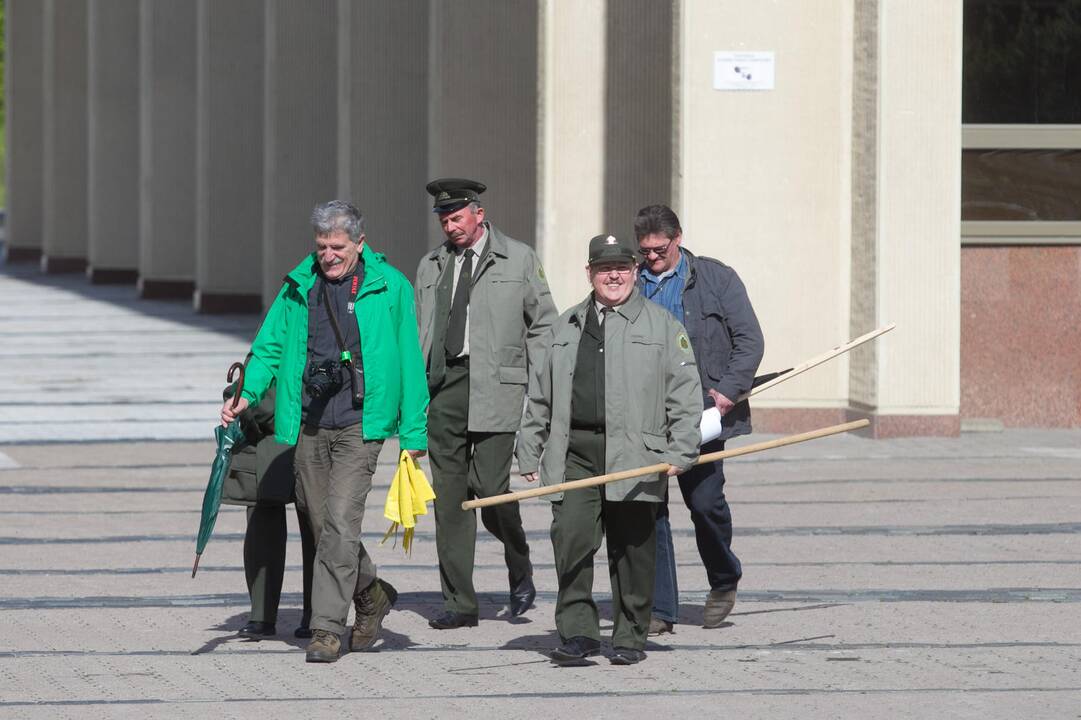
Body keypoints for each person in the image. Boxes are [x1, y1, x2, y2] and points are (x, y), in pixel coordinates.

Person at [221, 200, 428, 663]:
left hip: (362, 424)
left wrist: (414, 435)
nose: (329, 255)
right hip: (309, 423)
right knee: (323, 527)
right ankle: (372, 592)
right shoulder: (299, 287)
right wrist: (245, 394)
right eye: (321, 247)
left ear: (360, 243)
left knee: (339, 524)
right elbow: (269, 346)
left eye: (338, 246)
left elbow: (411, 364)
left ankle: (327, 629)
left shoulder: (389, 287)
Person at [516, 234, 702, 666]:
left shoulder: (662, 326)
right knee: (572, 543)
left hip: (637, 455)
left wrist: (682, 449)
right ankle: (578, 633)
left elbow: (685, 395)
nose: (613, 275)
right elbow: (540, 395)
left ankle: (629, 636)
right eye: (603, 269)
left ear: (635, 272)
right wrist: (530, 450)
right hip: (575, 454)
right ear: (589, 274)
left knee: (633, 551)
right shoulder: (565, 327)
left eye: (621, 267)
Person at [414, 178, 557, 629]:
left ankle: (519, 563)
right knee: (450, 500)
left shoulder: (519, 257)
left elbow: (544, 325)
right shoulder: (432, 264)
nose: (450, 226)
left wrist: (543, 387)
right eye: (444, 219)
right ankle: (460, 603)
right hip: (445, 386)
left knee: (491, 489)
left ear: (478, 212)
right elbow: (419, 332)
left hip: (498, 386)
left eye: (457, 217)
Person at [633, 204, 764, 635]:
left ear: (678, 238)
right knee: (651, 510)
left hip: (703, 413)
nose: (652, 258)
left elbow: (749, 341)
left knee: (705, 504)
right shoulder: (630, 282)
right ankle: (660, 609)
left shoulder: (716, 278)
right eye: (645, 251)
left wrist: (727, 394)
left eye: (659, 250)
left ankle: (724, 578)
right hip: (647, 414)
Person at [220, 383, 316, 640]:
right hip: (267, 439)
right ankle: (261, 613)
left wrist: (253, 407)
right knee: (262, 521)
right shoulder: (269, 342)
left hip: (315, 427)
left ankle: (319, 614)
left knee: (317, 525)